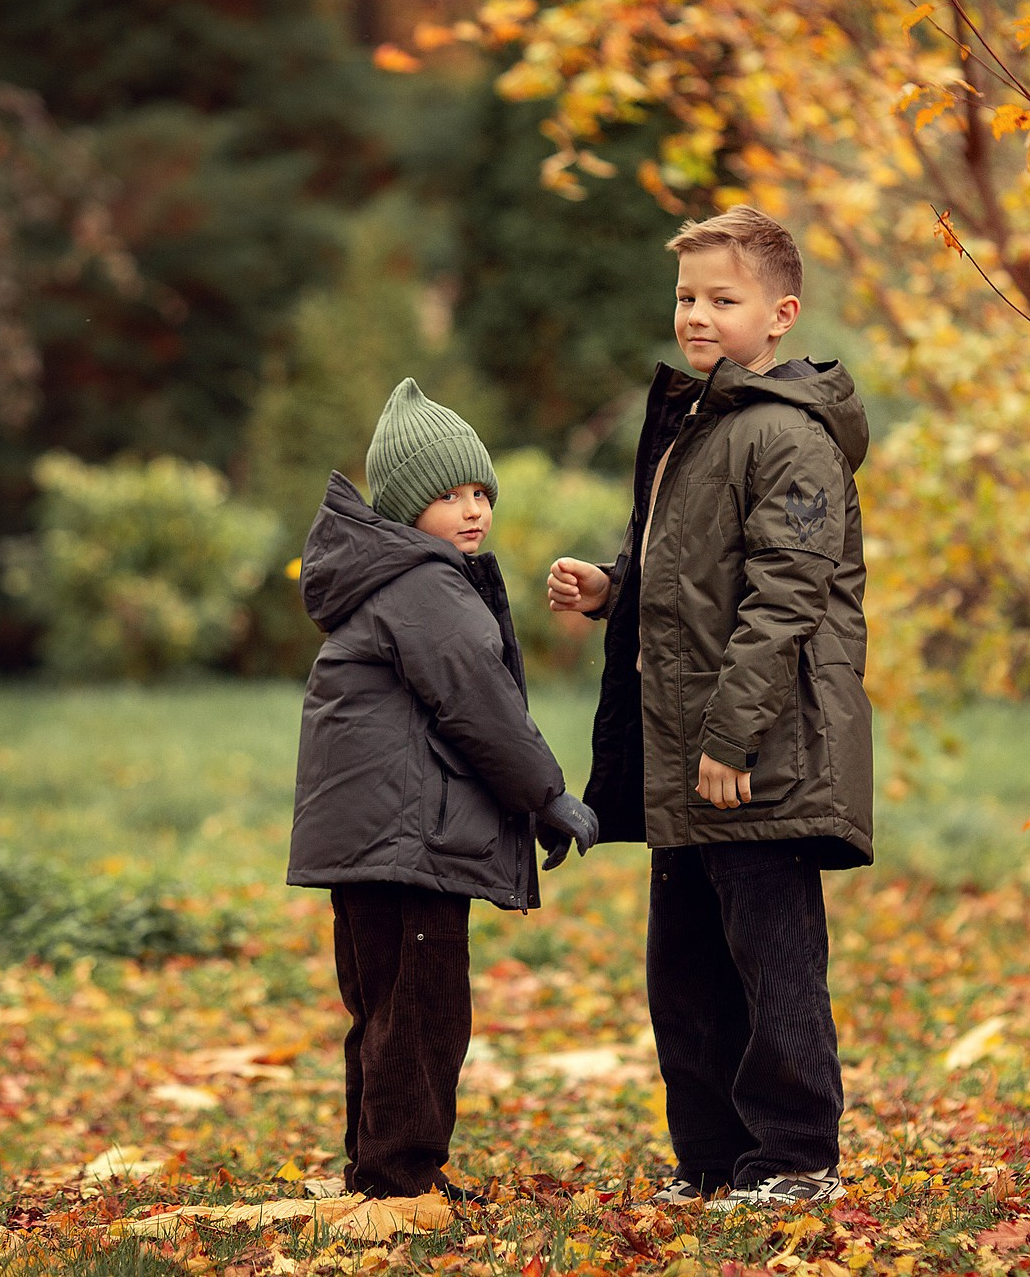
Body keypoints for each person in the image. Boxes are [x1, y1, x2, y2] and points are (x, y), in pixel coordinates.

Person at [546, 205, 873, 1209]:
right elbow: (693, 577)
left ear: (780, 315)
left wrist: (733, 737)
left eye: (721, 300)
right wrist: (614, 587)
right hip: (683, 748)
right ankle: (711, 1159)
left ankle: (796, 1158)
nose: (695, 315)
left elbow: (784, 599)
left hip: (760, 753)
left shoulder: (789, 436)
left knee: (773, 964)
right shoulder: (699, 423)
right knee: (685, 969)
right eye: (686, 296)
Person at [290, 377, 599, 1202]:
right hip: (408, 843)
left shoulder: (384, 580)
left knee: (384, 1009)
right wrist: (546, 796)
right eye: (449, 496)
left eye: (480, 493)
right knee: (422, 1011)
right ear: (403, 507)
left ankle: (377, 1170)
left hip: (372, 840)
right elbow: (479, 704)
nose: (473, 511)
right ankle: (400, 1181)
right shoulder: (424, 586)